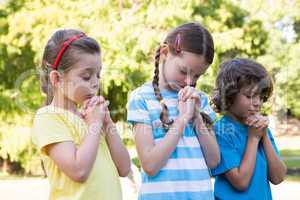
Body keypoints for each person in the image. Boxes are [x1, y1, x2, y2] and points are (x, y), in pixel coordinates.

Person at [31, 29, 131, 200]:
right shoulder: (48, 117)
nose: (95, 83)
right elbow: (79, 171)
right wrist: (94, 126)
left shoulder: (91, 117)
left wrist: (107, 124)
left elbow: (124, 168)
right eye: (86, 77)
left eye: (98, 75)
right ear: (57, 79)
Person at [127, 22, 220, 200]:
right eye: (183, 71)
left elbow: (213, 161)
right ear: (164, 53)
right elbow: (150, 164)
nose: (189, 81)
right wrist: (183, 119)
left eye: (197, 76)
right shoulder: (141, 99)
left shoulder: (199, 100)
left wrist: (197, 118)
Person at [211, 58, 287, 200]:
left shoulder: (260, 130)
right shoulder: (220, 131)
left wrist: (264, 137)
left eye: (261, 97)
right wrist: (253, 139)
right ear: (229, 95)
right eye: (250, 96)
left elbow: (278, 177)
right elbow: (240, 182)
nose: (258, 103)